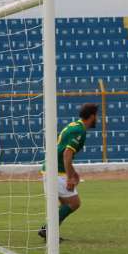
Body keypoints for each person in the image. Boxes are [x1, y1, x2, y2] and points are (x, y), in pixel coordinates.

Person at [38, 103, 97, 240]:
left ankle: (48, 230)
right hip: (56, 172)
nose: (97, 119)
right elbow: (66, 154)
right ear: (92, 116)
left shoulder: (74, 125)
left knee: (65, 203)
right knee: (74, 203)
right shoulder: (79, 131)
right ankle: (48, 230)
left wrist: (73, 172)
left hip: (51, 169)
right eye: (97, 116)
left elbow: (63, 152)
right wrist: (70, 178)